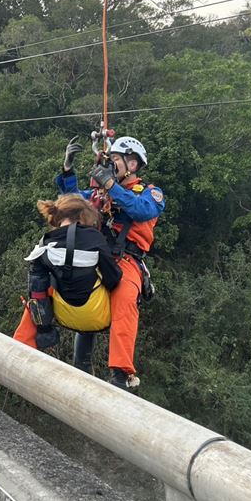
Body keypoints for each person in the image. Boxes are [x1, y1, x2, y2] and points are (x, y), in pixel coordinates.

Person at [57, 136, 164, 390]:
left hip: (126, 259)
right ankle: (67, 358)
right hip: (96, 255)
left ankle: (120, 373)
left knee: (125, 297)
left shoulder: (149, 193)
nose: (110, 165)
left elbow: (141, 211)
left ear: (132, 165)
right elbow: (70, 200)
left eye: (115, 160)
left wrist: (111, 186)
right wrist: (68, 170)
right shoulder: (99, 194)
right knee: (58, 278)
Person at [25, 194, 122, 356]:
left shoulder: (44, 244)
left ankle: (41, 336)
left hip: (63, 316)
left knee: (39, 284)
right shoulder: (94, 238)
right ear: (83, 216)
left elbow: (36, 292)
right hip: (97, 315)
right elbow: (113, 279)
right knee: (123, 285)